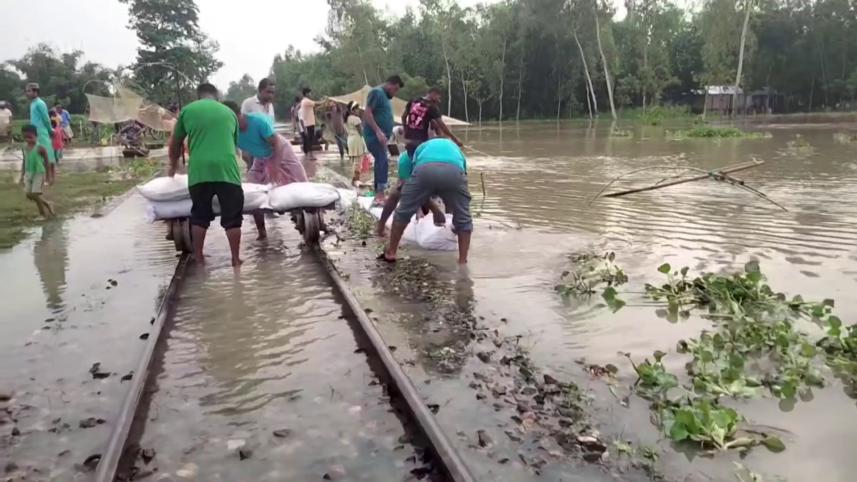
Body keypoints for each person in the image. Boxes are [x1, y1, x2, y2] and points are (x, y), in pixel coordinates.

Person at [169, 83, 243, 267]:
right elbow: (234, 146)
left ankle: (199, 257)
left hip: (200, 171)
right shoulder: (229, 113)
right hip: (227, 171)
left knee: (200, 215)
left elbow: (175, 142)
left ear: (199, 96)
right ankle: (235, 259)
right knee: (233, 218)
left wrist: (173, 165)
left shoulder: (188, 111)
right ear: (216, 96)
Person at [224, 100, 308, 240]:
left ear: (239, 114)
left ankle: (311, 219)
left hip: (281, 150)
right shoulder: (230, 131)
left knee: (301, 183)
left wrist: (275, 165)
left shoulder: (257, 122)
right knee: (253, 191)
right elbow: (237, 153)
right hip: (261, 157)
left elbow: (277, 143)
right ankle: (261, 231)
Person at [380, 138, 472, 265]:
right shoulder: (455, 150)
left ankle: (391, 253)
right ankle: (463, 260)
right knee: (464, 216)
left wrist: (432, 210)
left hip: (425, 169)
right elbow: (461, 181)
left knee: (403, 212)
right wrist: (439, 211)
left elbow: (410, 189)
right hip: (454, 170)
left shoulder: (412, 155)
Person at [376, 149, 445, 237]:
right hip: (413, 161)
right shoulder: (407, 159)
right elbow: (407, 187)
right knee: (398, 192)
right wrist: (434, 210)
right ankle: (381, 227)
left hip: (429, 162)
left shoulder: (439, 166)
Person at [363, 75, 404, 205]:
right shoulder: (376, 92)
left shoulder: (385, 97)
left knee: (380, 161)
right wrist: (378, 131)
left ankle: (378, 193)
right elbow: (367, 113)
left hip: (382, 136)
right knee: (382, 161)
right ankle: (380, 195)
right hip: (374, 136)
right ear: (390, 84)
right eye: (395, 89)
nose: (395, 92)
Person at [403, 87, 462, 158]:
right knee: (422, 164)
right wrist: (455, 139)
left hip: (409, 141)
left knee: (412, 163)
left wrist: (406, 131)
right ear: (433, 94)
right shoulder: (431, 107)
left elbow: (403, 117)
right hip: (421, 143)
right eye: (438, 98)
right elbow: (442, 125)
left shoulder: (413, 101)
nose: (438, 101)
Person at [18, 125, 55, 218]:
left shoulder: (40, 148)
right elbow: (24, 161)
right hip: (28, 173)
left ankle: (42, 214)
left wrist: (48, 176)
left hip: (39, 173)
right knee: (29, 195)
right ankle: (47, 203)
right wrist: (22, 175)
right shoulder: (24, 148)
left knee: (35, 193)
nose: (28, 140)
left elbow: (47, 162)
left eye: (30, 137)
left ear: (36, 136)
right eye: (25, 137)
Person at [26, 83, 56, 184]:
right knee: (36, 156)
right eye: (27, 91)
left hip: (42, 132)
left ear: (35, 92)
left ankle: (49, 178)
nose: (27, 93)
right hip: (34, 132)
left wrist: (50, 130)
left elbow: (46, 119)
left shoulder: (40, 103)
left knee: (47, 156)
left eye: (29, 91)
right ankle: (39, 178)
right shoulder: (32, 104)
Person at [345, 102, 367, 186]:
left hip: (350, 139)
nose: (358, 110)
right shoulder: (356, 119)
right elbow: (361, 132)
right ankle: (356, 179)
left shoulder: (346, 119)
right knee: (358, 161)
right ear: (352, 110)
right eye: (357, 109)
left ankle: (354, 179)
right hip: (357, 140)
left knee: (354, 160)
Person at [299, 87, 318, 160]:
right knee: (310, 139)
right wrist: (325, 101)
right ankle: (310, 155)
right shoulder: (306, 101)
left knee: (310, 139)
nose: (311, 94)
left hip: (309, 122)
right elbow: (317, 103)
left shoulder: (305, 101)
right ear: (306, 93)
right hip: (309, 123)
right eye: (310, 93)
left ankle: (310, 155)